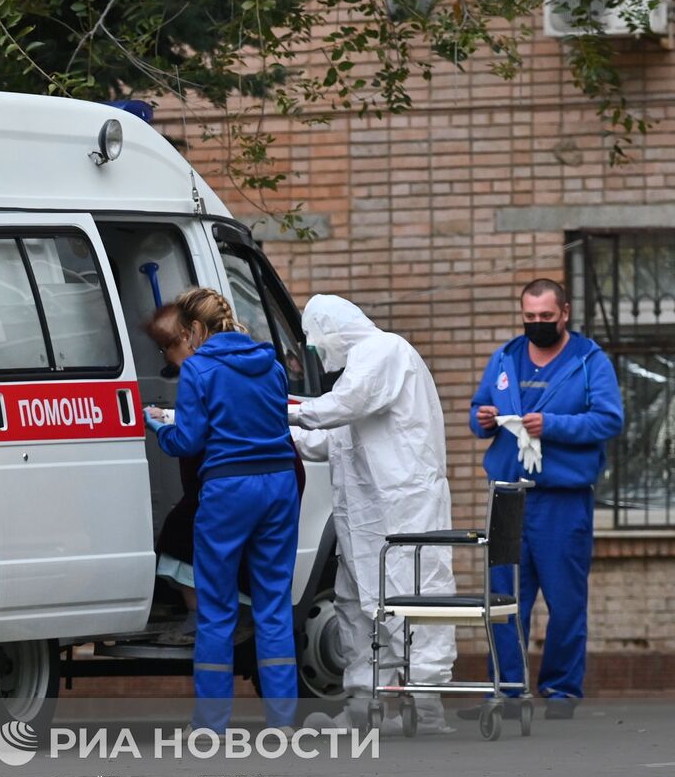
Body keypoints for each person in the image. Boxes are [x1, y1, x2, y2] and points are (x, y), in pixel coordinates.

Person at [288, 294, 457, 735]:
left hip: (403, 510)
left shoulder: (384, 352)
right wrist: (276, 429)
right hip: (367, 521)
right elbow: (330, 440)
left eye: (316, 341)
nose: (317, 352)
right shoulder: (358, 373)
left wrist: (284, 411)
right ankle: (364, 707)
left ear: (332, 330)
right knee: (355, 606)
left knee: (412, 598)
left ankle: (426, 704)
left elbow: (341, 408)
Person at [465, 278, 622, 720]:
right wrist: (483, 420)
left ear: (565, 313)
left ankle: (560, 690)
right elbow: (479, 412)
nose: (536, 325)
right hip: (508, 496)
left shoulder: (589, 362)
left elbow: (609, 420)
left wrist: (550, 425)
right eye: (529, 317)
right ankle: (509, 691)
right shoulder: (507, 356)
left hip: (562, 499)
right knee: (504, 598)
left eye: (546, 318)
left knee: (565, 599)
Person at [145, 288, 300, 732]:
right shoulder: (270, 365)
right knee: (273, 605)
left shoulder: (198, 368)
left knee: (216, 608)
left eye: (184, 334)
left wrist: (158, 426)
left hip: (228, 491)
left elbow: (189, 441)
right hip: (279, 483)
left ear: (195, 330)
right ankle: (283, 721)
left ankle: (211, 724)